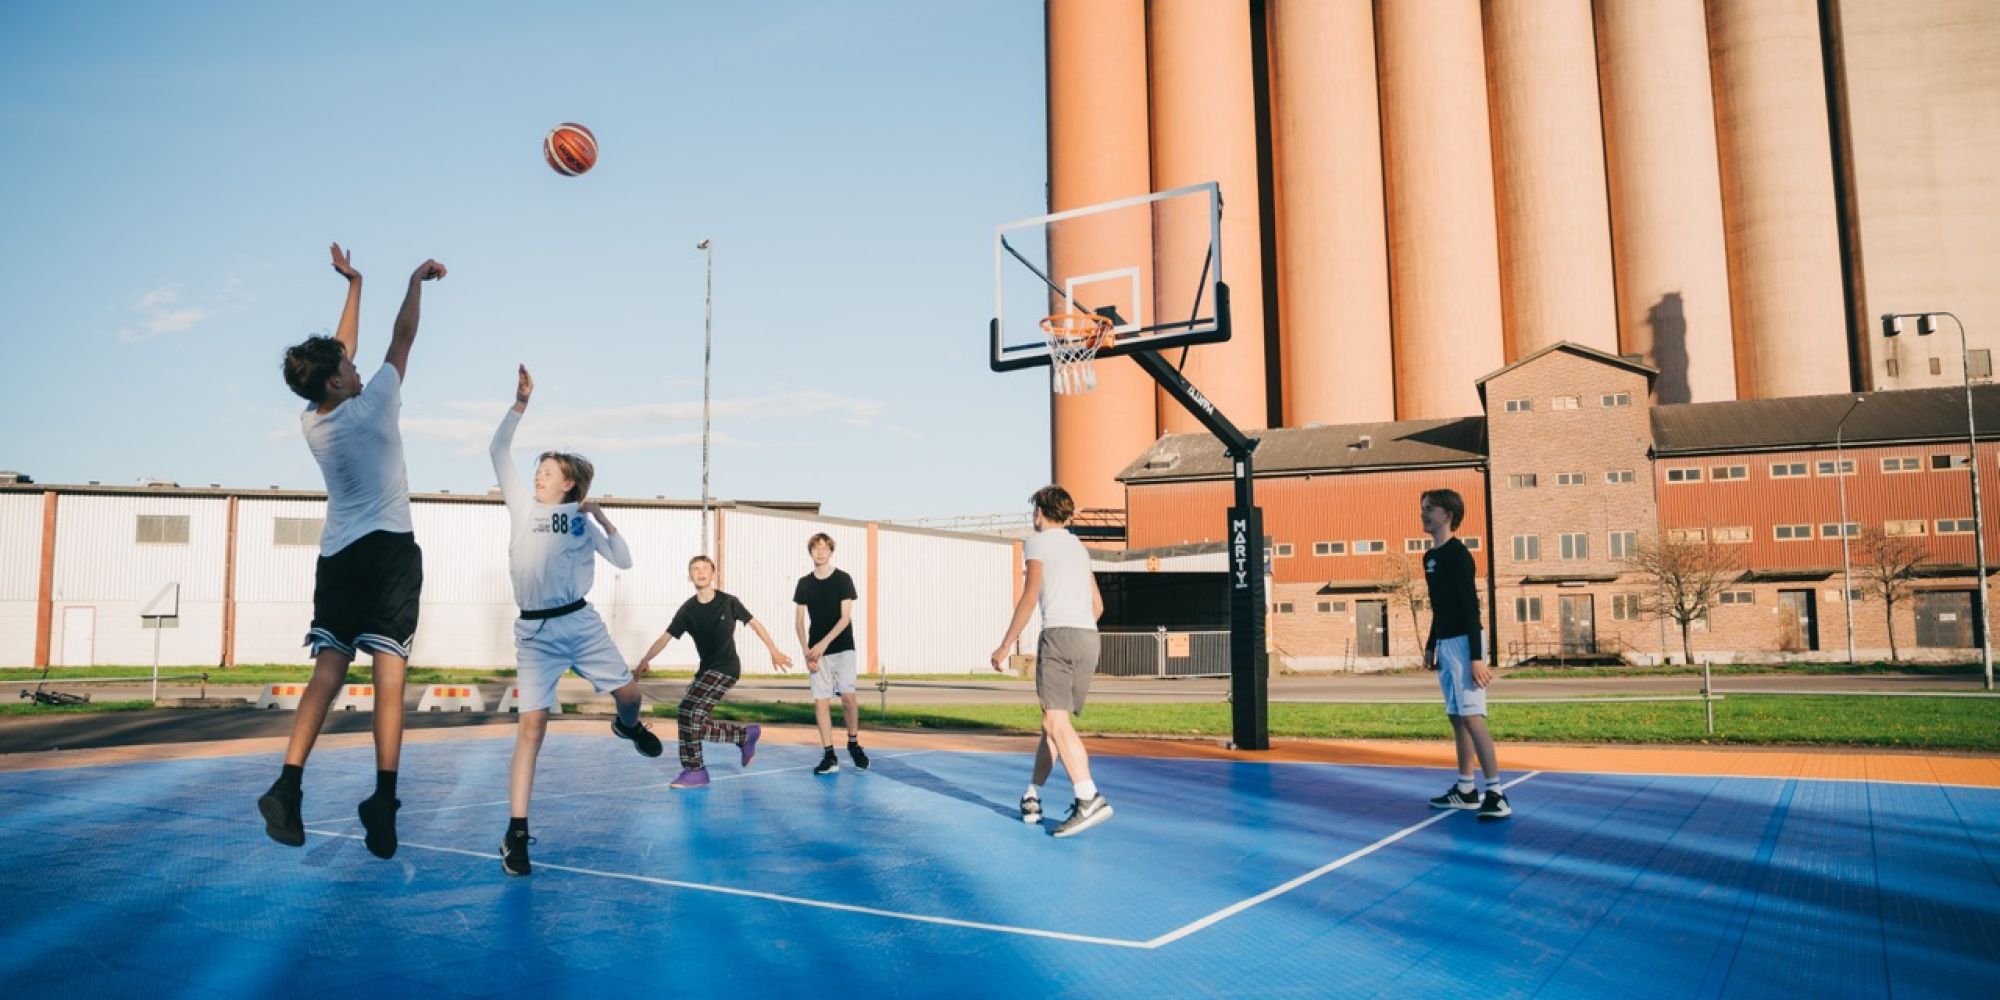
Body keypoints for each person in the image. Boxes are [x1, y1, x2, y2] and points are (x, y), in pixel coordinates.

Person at [258, 244, 446, 859]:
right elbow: (404, 336)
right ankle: (383, 801)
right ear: (339, 380)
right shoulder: (375, 404)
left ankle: (288, 786)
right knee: (388, 679)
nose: (355, 364)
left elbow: (341, 355)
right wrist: (414, 280)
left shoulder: (315, 420)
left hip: (338, 555)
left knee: (327, 675)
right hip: (389, 553)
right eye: (346, 365)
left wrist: (355, 284)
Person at [491, 365, 662, 876]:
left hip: (581, 625)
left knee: (630, 696)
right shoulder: (522, 507)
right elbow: (499, 451)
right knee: (532, 728)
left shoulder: (582, 523)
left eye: (547, 471)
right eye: (537, 468)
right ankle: (516, 834)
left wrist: (606, 520)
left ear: (568, 485)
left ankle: (627, 727)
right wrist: (520, 403)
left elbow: (625, 561)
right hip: (535, 634)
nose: (538, 474)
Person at [989, 485, 1111, 838]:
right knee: (1053, 725)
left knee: (1056, 722)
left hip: (1059, 635)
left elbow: (1029, 598)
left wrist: (1004, 645)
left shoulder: (1036, 543)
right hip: (1088, 637)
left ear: (1040, 513)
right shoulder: (1078, 547)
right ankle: (1033, 794)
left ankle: (1088, 797)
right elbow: (1099, 606)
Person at [636, 556, 794, 788]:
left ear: (713, 574)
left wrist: (774, 651)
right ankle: (743, 736)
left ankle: (695, 771)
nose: (700, 572)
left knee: (687, 710)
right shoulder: (688, 609)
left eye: (704, 568)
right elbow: (665, 637)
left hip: (727, 668)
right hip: (706, 671)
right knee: (693, 723)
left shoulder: (728, 602)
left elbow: (755, 624)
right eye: (695, 569)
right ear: (689, 577)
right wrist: (644, 660)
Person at [1419, 488, 1511, 820]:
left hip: (1465, 642)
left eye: (1430, 509)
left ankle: (1497, 793)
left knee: (1473, 718)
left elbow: (1470, 607)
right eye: (1422, 509)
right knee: (1457, 718)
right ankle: (1466, 788)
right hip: (1445, 642)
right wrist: (1431, 644)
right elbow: (1439, 607)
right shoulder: (1429, 557)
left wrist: (1476, 656)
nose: (1423, 514)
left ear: (1448, 514)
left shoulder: (1459, 555)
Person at [794, 533, 867, 774]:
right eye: (816, 548)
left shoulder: (843, 579)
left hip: (842, 647)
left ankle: (854, 743)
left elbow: (845, 617)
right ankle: (829, 755)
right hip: (816, 652)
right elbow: (799, 622)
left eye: (825, 548)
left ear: (831, 551)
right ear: (811, 552)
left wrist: (824, 644)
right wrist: (807, 652)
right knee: (821, 701)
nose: (820, 552)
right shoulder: (804, 583)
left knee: (848, 697)